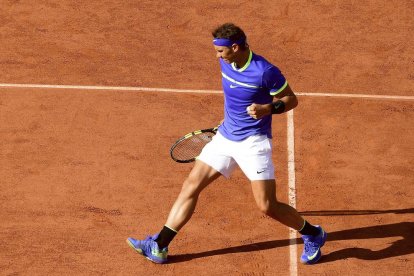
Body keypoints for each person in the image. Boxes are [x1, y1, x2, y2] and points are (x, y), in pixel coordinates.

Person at [127, 23, 327, 265]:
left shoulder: (265, 71)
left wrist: (268, 108)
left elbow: (291, 99)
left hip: (253, 142)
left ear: (235, 47)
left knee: (267, 205)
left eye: (220, 51)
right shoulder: (225, 61)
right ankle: (159, 245)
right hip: (225, 136)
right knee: (190, 186)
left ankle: (313, 233)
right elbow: (233, 97)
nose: (217, 56)